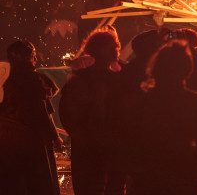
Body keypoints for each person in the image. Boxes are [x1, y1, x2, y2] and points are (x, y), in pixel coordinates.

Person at [124, 41, 197, 195]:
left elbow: (127, 139)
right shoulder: (194, 101)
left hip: (147, 181)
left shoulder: (142, 101)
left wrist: (136, 169)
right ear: (187, 69)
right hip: (184, 178)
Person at [60, 28, 125, 195]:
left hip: (88, 150)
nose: (117, 50)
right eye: (114, 47)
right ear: (105, 50)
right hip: (106, 150)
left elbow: (66, 115)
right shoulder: (118, 81)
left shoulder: (79, 79)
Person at [0, 40, 62, 195]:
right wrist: (54, 137)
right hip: (34, 140)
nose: (35, 58)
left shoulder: (4, 81)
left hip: (8, 143)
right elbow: (43, 113)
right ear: (27, 57)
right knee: (37, 181)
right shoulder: (35, 82)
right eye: (33, 54)